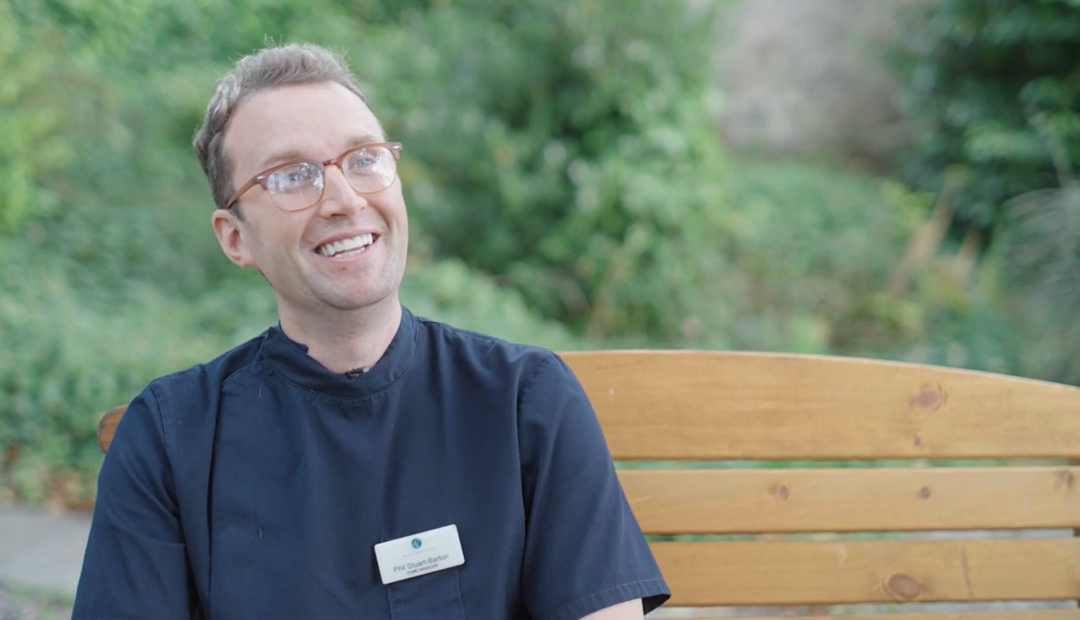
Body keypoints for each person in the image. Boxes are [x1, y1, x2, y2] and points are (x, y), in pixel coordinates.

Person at [72, 43, 670, 619]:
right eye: (292, 176)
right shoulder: (171, 437)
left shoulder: (525, 401)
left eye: (363, 159)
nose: (343, 198)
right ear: (236, 237)